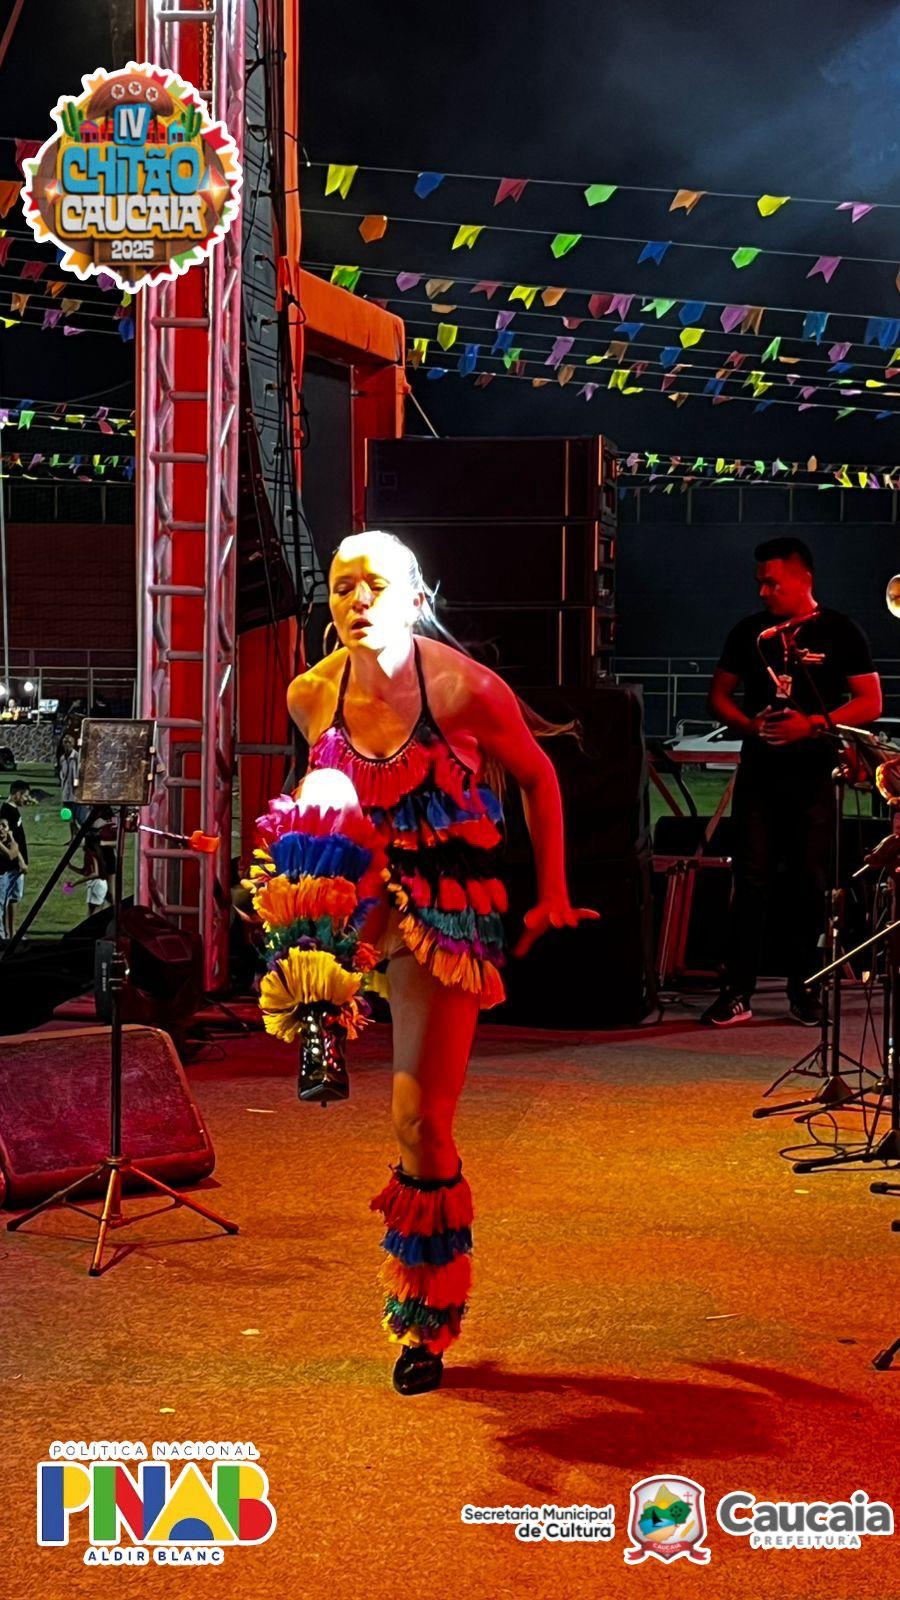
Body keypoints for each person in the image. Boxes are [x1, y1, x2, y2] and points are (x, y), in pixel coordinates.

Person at [250, 529, 598, 1396]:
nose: (356, 600)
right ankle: (320, 1018)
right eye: (341, 586)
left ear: (413, 597)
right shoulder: (311, 694)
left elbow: (538, 776)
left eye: (374, 585)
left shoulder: (463, 688)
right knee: (315, 806)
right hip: (358, 896)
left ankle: (425, 1321)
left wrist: (551, 890)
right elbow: (321, 815)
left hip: (442, 912)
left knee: (421, 1126)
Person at [701, 537, 882, 1028]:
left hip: (813, 775)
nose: (763, 591)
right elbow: (718, 696)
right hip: (760, 774)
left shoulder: (841, 631)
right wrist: (748, 724)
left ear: (804, 579)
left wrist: (813, 726)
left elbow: (870, 701)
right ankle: (737, 991)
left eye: (773, 582)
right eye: (760, 582)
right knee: (750, 879)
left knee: (809, 882)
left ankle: (805, 989)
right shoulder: (750, 631)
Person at [0, 780, 31, 940]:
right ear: (18, 794)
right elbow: (11, 840)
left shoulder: (13, 809)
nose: (27, 799)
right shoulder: (6, 811)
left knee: (14, 898)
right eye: (25, 796)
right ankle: (6, 934)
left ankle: (12, 932)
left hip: (16, 865)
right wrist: (21, 861)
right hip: (12, 865)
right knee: (6, 899)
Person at [0, 816, 23, 942]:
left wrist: (11, 838)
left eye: (4, 826)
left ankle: (6, 937)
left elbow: (13, 853)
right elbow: (11, 854)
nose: (1, 829)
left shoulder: (9, 843)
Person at [58, 735, 80, 840]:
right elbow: (62, 774)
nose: (67, 745)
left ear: (73, 744)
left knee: (76, 817)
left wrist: (77, 786)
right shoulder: (62, 758)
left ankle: (79, 836)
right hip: (66, 791)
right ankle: (73, 837)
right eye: (65, 742)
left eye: (69, 742)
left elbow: (79, 773)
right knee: (68, 816)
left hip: (75, 792)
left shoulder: (76, 756)